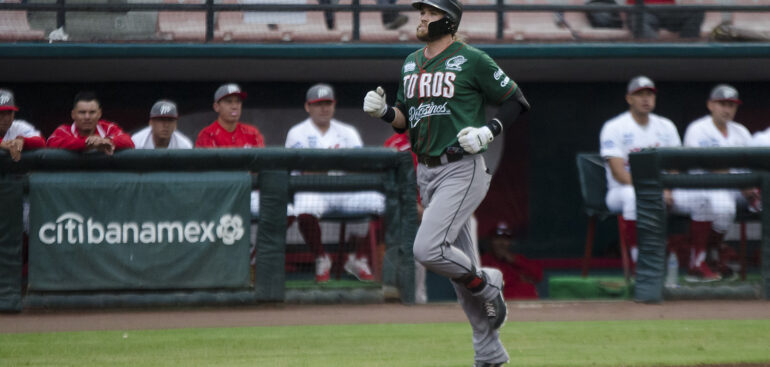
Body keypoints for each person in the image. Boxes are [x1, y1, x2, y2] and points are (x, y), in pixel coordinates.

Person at [362, 0, 530, 364]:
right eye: (421, 11)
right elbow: (408, 118)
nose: (421, 17)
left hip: (462, 166)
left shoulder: (472, 59)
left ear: (448, 21)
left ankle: (489, 283)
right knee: (458, 270)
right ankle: (490, 354)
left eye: (430, 12)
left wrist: (489, 131)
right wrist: (385, 112)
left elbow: (516, 101)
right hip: (427, 169)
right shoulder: (410, 62)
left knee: (428, 249)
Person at [286, 83, 384, 283]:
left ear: (334, 105)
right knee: (303, 209)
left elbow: (360, 165)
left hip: (345, 191)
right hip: (313, 190)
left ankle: (358, 257)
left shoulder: (347, 131)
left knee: (383, 203)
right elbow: (303, 169)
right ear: (308, 107)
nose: (324, 108)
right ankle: (322, 258)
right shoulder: (297, 132)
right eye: (318, 104)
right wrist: (338, 164)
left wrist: (324, 164)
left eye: (327, 103)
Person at [600, 76, 681, 272]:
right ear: (629, 98)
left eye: (649, 94)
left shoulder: (666, 126)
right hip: (621, 191)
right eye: (640, 94)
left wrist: (668, 188)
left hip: (661, 189)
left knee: (707, 198)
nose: (646, 99)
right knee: (633, 196)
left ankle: (701, 260)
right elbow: (619, 173)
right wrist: (654, 190)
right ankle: (639, 262)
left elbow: (675, 165)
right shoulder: (614, 127)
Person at [673, 84, 753, 282]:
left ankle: (711, 255)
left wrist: (753, 190)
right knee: (722, 205)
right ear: (710, 105)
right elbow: (707, 164)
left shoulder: (741, 132)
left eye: (731, 105)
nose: (727, 109)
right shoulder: (698, 128)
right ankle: (703, 258)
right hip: (700, 188)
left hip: (735, 188)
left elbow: (752, 165)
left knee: (756, 199)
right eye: (722, 104)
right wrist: (742, 182)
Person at [47, 91, 134, 153]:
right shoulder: (64, 130)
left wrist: (105, 141)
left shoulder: (108, 128)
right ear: (73, 114)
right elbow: (51, 143)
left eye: (92, 112)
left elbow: (128, 141)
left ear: (99, 113)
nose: (87, 117)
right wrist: (89, 143)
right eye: (82, 112)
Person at [480, 222, 542, 300]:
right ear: (490, 241)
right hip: (497, 306)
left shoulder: (518, 260)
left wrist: (514, 260)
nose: (501, 242)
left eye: (505, 239)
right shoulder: (483, 261)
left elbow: (538, 275)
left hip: (524, 306)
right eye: (497, 238)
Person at [196, 83, 265, 149]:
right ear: (216, 107)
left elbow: (262, 159)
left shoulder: (252, 133)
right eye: (229, 102)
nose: (234, 106)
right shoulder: (208, 134)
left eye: (238, 102)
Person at [0, 89, 46, 161]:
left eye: (9, 112)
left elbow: (41, 142)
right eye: (1, 113)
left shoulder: (18, 126)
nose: (6, 118)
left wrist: (23, 141)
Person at [626, 0, 704, 39]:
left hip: (667, 9)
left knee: (696, 11)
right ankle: (654, 55)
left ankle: (687, 50)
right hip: (643, 10)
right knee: (640, 23)